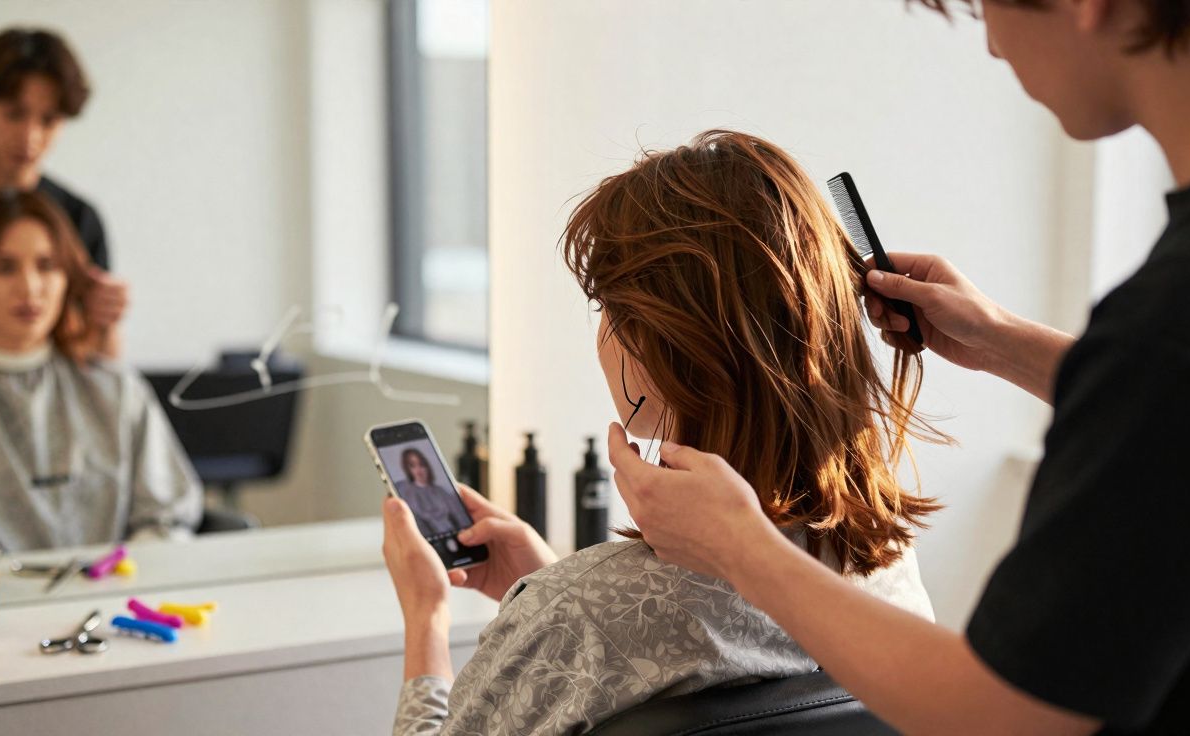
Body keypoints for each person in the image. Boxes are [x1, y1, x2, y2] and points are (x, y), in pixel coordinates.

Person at [592, 1, 1190, 733]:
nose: (992, 44)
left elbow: (1002, 715)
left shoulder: (1186, 314)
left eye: (981, 5)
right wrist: (1001, 340)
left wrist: (744, 551)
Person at [382, 131, 948, 734]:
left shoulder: (573, 616)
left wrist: (427, 623)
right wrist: (551, 581)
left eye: (608, 310)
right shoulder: (886, 569)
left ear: (656, 345)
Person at [0, 191, 201, 552]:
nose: (29, 288)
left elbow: (167, 517)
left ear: (68, 279)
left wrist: (125, 576)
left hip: (110, 597)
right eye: (4, 267)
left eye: (47, 265)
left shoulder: (114, 390)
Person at [0, 27, 127, 357]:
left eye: (48, 120)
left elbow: (99, 361)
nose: (30, 135)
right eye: (14, 114)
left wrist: (106, 320)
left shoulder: (78, 219)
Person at [392, 447, 470, 538]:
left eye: (421, 464)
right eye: (413, 465)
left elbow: (460, 517)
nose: (418, 470)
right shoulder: (407, 491)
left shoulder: (441, 491)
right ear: (408, 469)